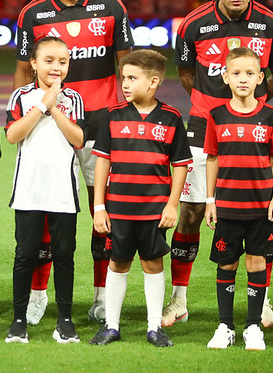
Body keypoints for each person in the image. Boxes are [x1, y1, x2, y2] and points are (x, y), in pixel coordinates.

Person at [14, 0, 134, 324]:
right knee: (49, 212)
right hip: (52, 128)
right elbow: (21, 77)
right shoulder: (32, 15)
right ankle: (37, 295)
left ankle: (102, 295)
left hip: (101, 128)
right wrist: (21, 120)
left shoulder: (110, 7)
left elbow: (126, 67)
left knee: (104, 212)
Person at [170, 0, 273, 329]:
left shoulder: (271, 26)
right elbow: (187, 73)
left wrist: (251, 105)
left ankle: (263, 302)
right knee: (188, 213)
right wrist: (212, 105)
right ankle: (178, 300)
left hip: (252, 136)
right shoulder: (194, 24)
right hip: (202, 129)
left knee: (259, 216)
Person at [88, 50, 191, 347]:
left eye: (133, 78)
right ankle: (111, 326)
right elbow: (102, 163)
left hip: (154, 211)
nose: (125, 84)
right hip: (119, 209)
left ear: (154, 82)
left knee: (152, 263)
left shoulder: (171, 118)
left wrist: (172, 204)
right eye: (123, 78)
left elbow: (181, 164)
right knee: (117, 263)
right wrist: (99, 207)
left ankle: (154, 327)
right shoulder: (113, 115)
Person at [4, 37, 85, 344]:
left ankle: (65, 320)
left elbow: (77, 139)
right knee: (25, 254)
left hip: (63, 190)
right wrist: (41, 104)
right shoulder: (20, 97)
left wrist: (56, 106)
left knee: (64, 255)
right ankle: (19, 320)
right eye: (49, 60)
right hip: (29, 189)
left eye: (62, 61)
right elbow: (13, 135)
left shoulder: (74, 98)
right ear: (34, 63)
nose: (56, 66)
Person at [203, 47, 273, 351]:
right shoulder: (216, 116)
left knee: (256, 262)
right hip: (227, 206)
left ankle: (252, 326)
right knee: (227, 264)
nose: (243, 79)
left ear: (260, 77)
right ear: (225, 76)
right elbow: (212, 158)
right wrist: (210, 201)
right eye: (236, 73)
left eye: (250, 73)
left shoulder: (270, 115)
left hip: (260, 206)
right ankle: (225, 326)